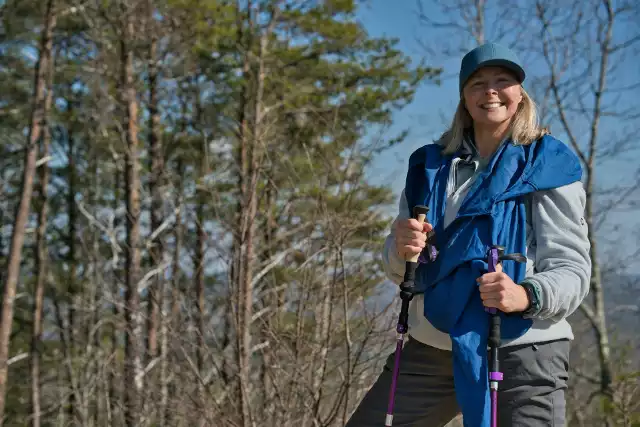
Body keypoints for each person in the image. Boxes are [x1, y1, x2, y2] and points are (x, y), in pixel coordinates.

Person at [346, 42, 591, 427]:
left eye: (503, 80)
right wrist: (400, 248)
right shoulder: (429, 167)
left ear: (520, 93)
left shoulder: (548, 166)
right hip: (433, 342)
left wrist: (526, 294)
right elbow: (400, 269)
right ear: (464, 96)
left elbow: (572, 269)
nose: (490, 91)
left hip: (523, 346)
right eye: (477, 83)